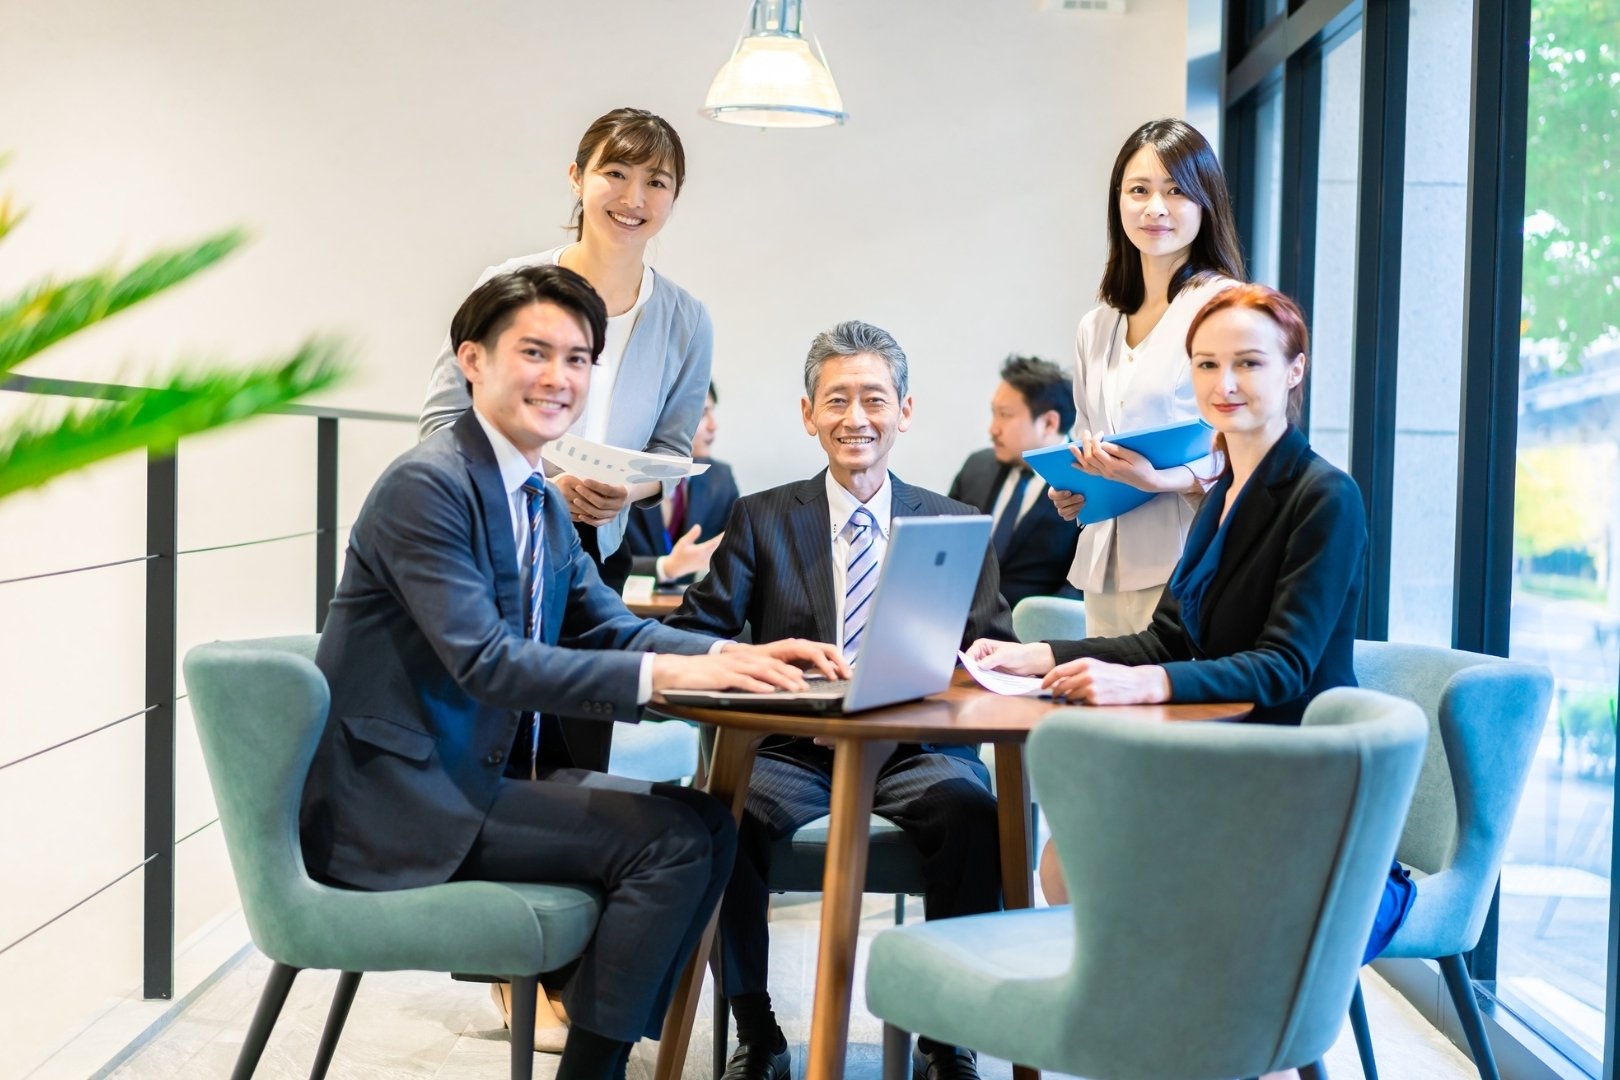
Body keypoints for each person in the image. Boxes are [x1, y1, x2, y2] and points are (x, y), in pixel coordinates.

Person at [303, 265, 844, 1079]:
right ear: (472, 361)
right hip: (400, 804)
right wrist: (665, 682)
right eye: (536, 352)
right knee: (668, 844)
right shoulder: (429, 485)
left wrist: (732, 656)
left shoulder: (535, 498)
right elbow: (486, 662)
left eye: (580, 358)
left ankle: (592, 1059)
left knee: (707, 826)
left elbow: (609, 625)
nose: (560, 377)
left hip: (471, 780)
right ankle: (593, 1068)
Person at [970, 287, 1414, 1073]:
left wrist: (1144, 688)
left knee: (1085, 865)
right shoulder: (1219, 498)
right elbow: (1169, 635)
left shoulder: (1324, 496)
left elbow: (1284, 666)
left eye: (1249, 363)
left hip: (1287, 773)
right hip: (1220, 756)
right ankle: (1155, 1040)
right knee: (1064, 863)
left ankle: (1177, 1039)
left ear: (1295, 370)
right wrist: (1041, 657)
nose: (1225, 383)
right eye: (1207, 365)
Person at [665, 320, 1015, 1080]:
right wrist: (756, 657)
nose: (856, 418)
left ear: (906, 411)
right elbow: (701, 633)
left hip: (915, 753)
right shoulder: (760, 517)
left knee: (975, 817)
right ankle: (758, 1035)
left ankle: (947, 1037)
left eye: (874, 400)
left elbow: (991, 651)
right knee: (727, 818)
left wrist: (953, 673)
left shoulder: (954, 523)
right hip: (793, 750)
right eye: (838, 400)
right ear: (808, 413)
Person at [419, 106, 712, 607]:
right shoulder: (506, 286)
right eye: (615, 173)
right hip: (494, 533)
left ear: (674, 197)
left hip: (600, 554)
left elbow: (671, 454)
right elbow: (443, 422)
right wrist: (539, 486)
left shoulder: (688, 320)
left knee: (590, 683)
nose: (634, 198)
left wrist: (625, 494)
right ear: (577, 178)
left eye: (656, 182)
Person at [1052, 117, 1246, 637]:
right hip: (1103, 565)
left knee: (1172, 714)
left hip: (1189, 559)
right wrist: (1076, 486)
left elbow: (1248, 444)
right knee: (1103, 713)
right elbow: (1091, 435)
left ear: (1207, 203)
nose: (1155, 208)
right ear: (1119, 202)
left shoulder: (1226, 308)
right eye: (1139, 190)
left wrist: (1163, 480)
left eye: (1177, 191)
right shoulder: (1097, 325)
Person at [948, 355, 1081, 610]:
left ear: (1049, 423)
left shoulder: (1086, 480)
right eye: (993, 413)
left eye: (1005, 415)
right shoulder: (977, 466)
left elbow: (1081, 588)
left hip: (1033, 636)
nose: (993, 429)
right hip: (958, 622)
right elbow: (946, 545)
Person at [624, 381, 739, 585]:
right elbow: (600, 563)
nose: (714, 425)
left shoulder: (720, 478)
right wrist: (665, 568)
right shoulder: (622, 477)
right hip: (624, 610)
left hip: (691, 612)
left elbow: (736, 552)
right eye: (702, 414)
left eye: (712, 412)